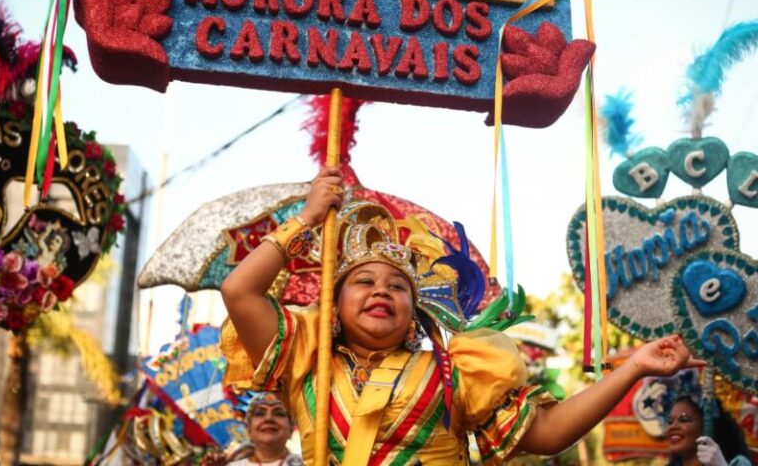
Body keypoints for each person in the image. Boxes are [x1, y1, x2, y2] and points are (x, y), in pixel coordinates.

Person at [221, 166, 704, 465]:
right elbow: (239, 290)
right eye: (363, 282)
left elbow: (548, 434)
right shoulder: (305, 358)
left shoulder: (457, 369)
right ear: (335, 302)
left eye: (397, 286)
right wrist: (305, 219)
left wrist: (635, 367)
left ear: (415, 313)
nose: (380, 291)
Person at [667, 396, 751, 466]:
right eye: (670, 421)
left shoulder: (738, 463)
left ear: (707, 426)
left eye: (684, 420)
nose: (672, 427)